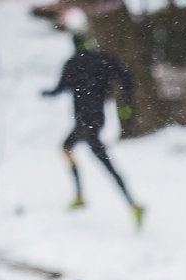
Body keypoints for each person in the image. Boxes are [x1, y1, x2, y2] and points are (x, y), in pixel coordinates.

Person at [43, 34, 144, 227]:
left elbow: (60, 88)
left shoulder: (72, 63)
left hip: (84, 121)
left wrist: (47, 93)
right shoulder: (102, 59)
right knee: (69, 148)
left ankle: (132, 204)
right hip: (96, 119)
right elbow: (125, 75)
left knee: (101, 161)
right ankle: (83, 196)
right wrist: (125, 101)